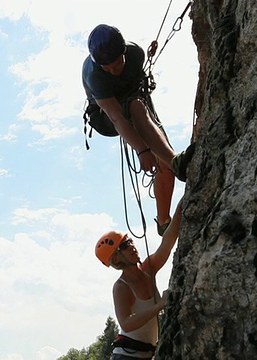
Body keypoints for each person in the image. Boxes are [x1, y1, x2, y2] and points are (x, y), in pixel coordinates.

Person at [82, 24, 193, 235]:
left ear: (124, 52)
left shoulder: (136, 54)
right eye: (108, 68)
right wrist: (142, 150)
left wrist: (149, 148)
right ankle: (176, 163)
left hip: (136, 99)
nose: (114, 71)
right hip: (106, 116)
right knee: (136, 111)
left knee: (164, 154)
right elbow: (115, 116)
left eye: (117, 64)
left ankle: (163, 222)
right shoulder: (95, 75)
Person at [94, 200, 182, 360]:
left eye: (129, 241)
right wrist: (160, 305)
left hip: (146, 354)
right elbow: (126, 323)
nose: (132, 246)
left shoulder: (149, 268)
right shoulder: (121, 287)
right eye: (124, 246)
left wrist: (180, 209)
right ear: (115, 259)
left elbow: (167, 243)